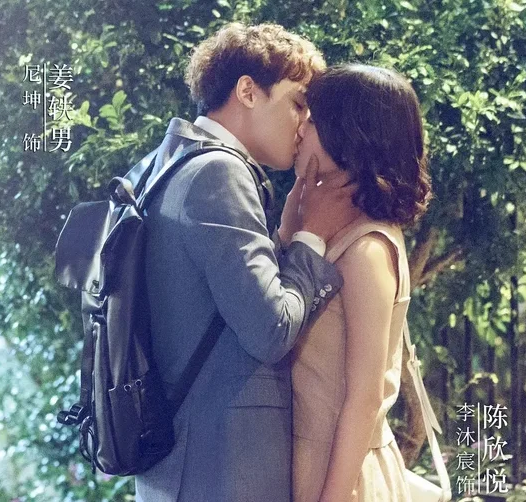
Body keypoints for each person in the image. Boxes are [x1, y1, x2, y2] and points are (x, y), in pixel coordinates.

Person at [134, 24, 360, 502]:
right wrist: (312, 236)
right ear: (248, 91)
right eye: (298, 104)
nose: (304, 124)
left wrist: (285, 237)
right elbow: (270, 330)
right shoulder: (219, 173)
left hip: (185, 467)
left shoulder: (168, 162)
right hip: (221, 470)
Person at [279, 64, 432, 502]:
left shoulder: (366, 250)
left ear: (347, 137)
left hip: (338, 474)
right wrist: (292, 224)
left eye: (312, 120)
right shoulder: (328, 229)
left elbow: (365, 397)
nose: (299, 129)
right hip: (307, 460)